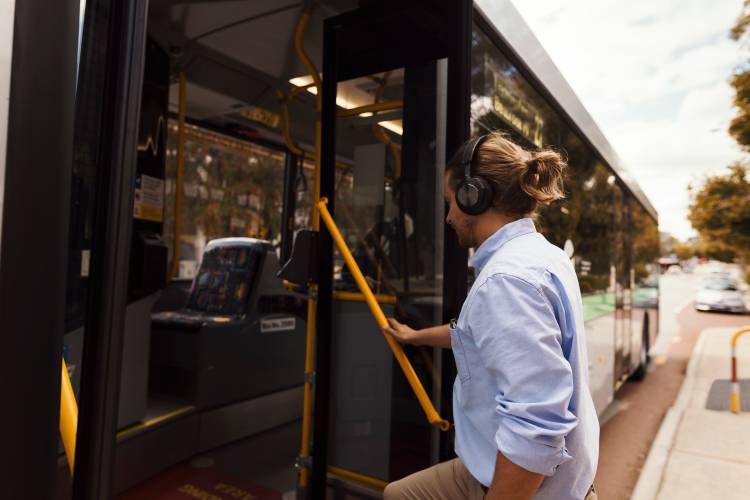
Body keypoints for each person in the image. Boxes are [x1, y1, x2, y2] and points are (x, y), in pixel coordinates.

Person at [383, 132, 599, 500]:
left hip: (528, 485)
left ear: (474, 196)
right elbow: (473, 334)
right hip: (527, 470)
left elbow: (536, 429)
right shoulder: (541, 254)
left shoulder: (506, 281)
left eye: (451, 202)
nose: (449, 216)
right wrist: (415, 336)